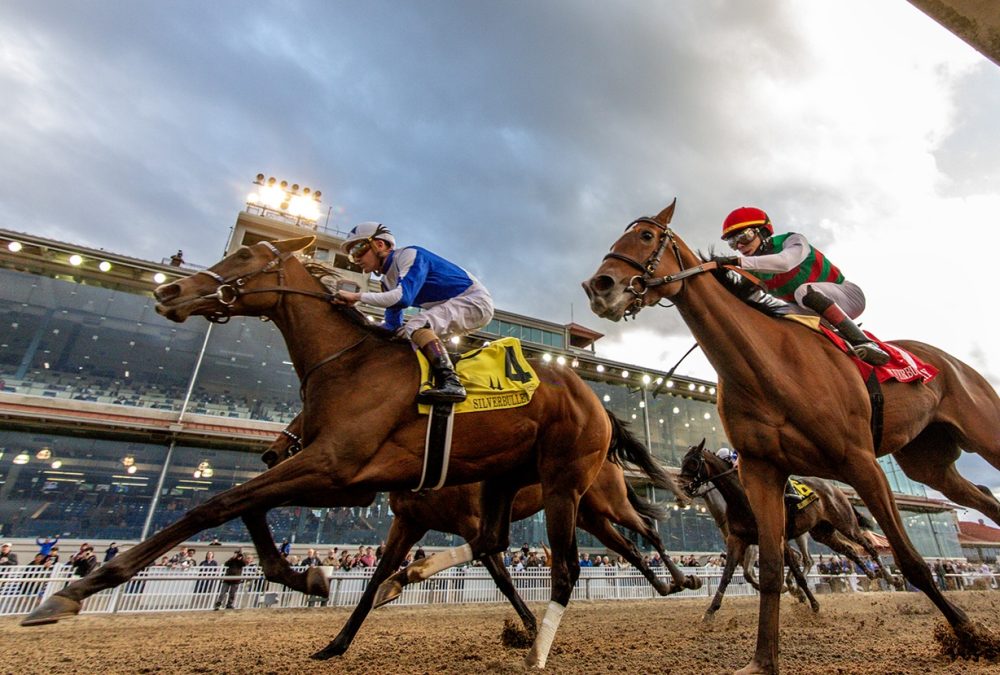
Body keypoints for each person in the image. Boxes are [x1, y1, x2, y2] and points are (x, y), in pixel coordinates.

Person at [334, 222, 495, 403]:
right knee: (402, 334)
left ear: (379, 244)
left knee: (416, 325)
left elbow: (402, 298)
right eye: (351, 254)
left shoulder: (409, 255)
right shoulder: (387, 282)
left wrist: (357, 296)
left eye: (358, 249)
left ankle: (451, 382)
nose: (356, 258)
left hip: (474, 301)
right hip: (458, 303)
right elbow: (391, 325)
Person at [716, 206, 888, 366]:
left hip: (848, 297)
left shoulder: (793, 240)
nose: (739, 246)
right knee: (774, 316)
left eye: (744, 237)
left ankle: (865, 342)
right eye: (733, 243)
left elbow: (785, 263)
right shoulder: (752, 271)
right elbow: (744, 307)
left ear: (762, 232)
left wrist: (736, 261)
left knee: (802, 291)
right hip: (809, 309)